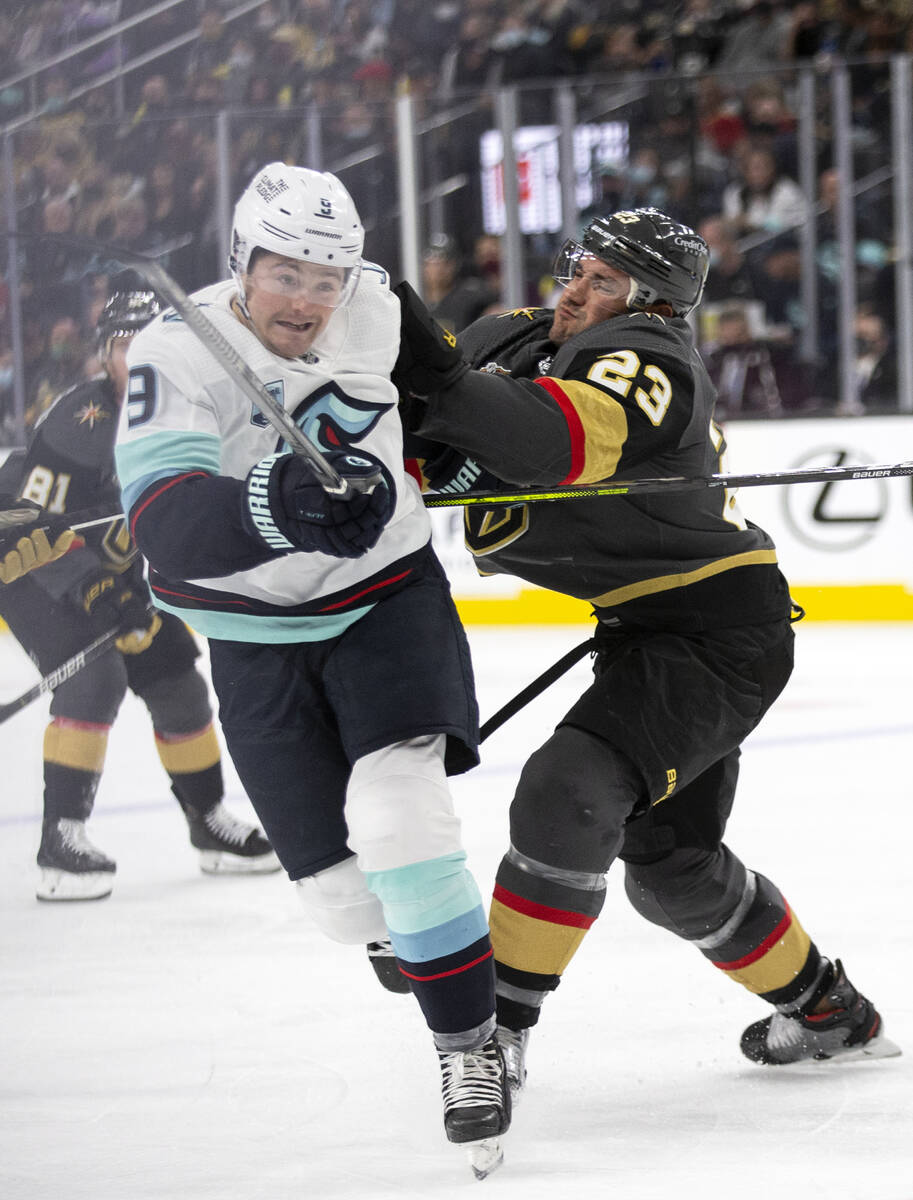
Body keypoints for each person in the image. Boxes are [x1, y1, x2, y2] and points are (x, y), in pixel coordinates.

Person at [391, 206, 900, 1098]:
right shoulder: (510, 334)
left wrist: (434, 378)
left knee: (567, 792)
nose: (575, 294)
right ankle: (830, 1012)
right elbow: (408, 433)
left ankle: (489, 1035)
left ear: (654, 304)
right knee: (670, 874)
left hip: (715, 634)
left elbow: (553, 441)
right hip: (648, 628)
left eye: (604, 282)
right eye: (578, 272)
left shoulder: (647, 355)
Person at [113, 162, 510, 1174]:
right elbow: (162, 525)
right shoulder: (176, 349)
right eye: (285, 274)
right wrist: (271, 504)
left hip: (386, 600)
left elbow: (446, 393)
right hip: (251, 632)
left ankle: (468, 1048)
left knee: (398, 815)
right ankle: (419, 940)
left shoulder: (378, 305)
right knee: (344, 905)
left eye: (326, 278)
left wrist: (453, 452)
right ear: (241, 262)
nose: (307, 300)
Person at [0, 284, 280, 902]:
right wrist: (100, 591)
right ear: (104, 355)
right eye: (124, 345)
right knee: (93, 678)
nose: (137, 357)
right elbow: (38, 530)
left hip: (118, 579)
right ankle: (60, 837)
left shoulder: (187, 411)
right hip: (31, 575)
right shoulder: (81, 423)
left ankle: (207, 823)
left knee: (176, 673)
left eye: (149, 343)